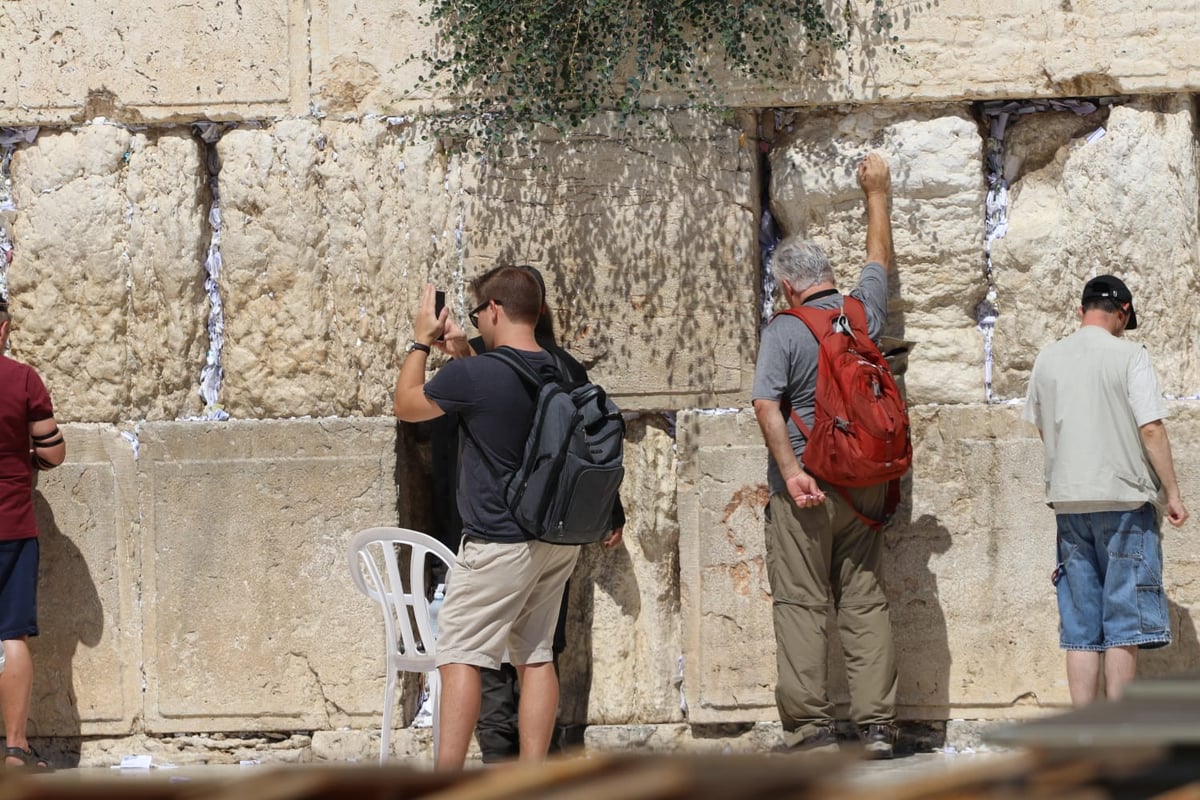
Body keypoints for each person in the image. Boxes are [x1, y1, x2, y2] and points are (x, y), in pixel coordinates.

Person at [393, 267, 605, 769]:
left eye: (477, 313)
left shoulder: (477, 376)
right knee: (535, 655)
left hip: (497, 541)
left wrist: (420, 342)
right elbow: (501, 400)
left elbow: (406, 405)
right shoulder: (559, 368)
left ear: (492, 310)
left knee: (460, 652)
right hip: (555, 538)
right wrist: (463, 353)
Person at [751, 152, 899, 759]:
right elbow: (879, 262)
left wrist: (790, 473)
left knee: (802, 601)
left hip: (808, 483)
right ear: (828, 274)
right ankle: (879, 728)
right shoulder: (862, 311)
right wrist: (878, 196)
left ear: (788, 285)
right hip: (865, 481)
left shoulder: (785, 329)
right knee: (865, 597)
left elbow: (766, 406)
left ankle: (811, 729)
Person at [1022, 275, 1188, 705]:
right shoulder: (1130, 355)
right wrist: (1172, 493)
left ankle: (1084, 737)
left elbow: (1044, 428)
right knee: (1122, 622)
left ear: (1081, 311)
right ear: (1124, 313)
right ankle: (1120, 735)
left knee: (1080, 628)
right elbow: (1150, 428)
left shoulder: (1048, 359)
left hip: (1070, 503)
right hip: (1125, 501)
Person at [0, 300, 66, 770]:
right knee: (12, 636)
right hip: (11, 525)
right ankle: (17, 749)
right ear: (3, 329)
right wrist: (29, 460)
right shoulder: (22, 379)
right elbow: (54, 452)